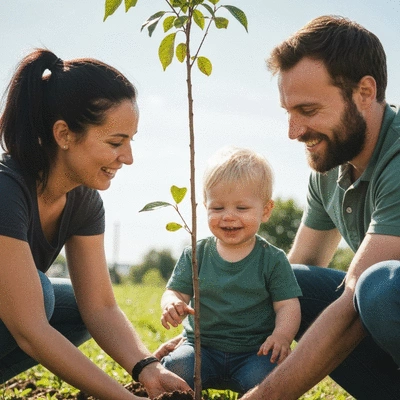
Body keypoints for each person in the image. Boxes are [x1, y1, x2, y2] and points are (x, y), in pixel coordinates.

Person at [0, 49, 190, 400]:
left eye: (131, 141)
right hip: (22, 319)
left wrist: (147, 368)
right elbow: (29, 329)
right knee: (41, 296)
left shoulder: (83, 200)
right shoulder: (5, 189)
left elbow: (100, 307)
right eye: (116, 142)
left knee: (73, 304)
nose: (128, 158)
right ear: (64, 134)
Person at [239, 15, 400, 400]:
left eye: (308, 111)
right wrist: (201, 343)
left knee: (378, 290)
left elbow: (350, 313)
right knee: (296, 285)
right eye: (288, 112)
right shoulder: (331, 168)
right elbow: (285, 286)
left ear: (364, 92)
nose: (293, 132)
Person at [159, 147, 302, 394]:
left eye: (242, 208)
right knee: (176, 366)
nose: (228, 217)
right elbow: (175, 291)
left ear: (266, 210)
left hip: (254, 352)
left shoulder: (273, 259)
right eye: (218, 208)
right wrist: (172, 303)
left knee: (268, 378)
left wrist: (281, 336)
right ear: (205, 206)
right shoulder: (196, 253)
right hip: (201, 349)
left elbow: (287, 305)